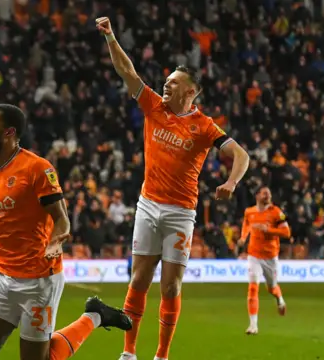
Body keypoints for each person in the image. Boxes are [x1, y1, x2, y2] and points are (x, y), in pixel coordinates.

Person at [0, 104, 132, 360]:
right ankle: (95, 314)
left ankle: (94, 316)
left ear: (9, 132)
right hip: (0, 274)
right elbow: (1, 226)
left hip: (37, 279)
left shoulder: (38, 169)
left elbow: (62, 219)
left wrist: (56, 241)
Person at [96, 17, 251, 360]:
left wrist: (231, 182)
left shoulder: (204, 126)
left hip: (181, 212)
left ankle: (162, 355)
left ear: (190, 91)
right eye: (166, 80)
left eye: (173, 82)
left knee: (171, 285)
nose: (165, 85)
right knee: (138, 281)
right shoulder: (154, 106)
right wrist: (110, 37)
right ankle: (129, 352)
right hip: (148, 205)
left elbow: (241, 154)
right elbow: (128, 72)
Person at [238, 186, 291, 335]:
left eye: (269, 193)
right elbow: (246, 225)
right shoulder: (249, 212)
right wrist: (243, 238)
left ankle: (279, 299)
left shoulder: (276, 212)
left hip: (271, 257)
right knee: (253, 288)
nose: (268, 196)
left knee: (271, 288)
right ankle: (253, 325)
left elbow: (287, 232)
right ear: (257, 196)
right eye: (264, 193)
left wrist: (269, 230)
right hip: (254, 255)